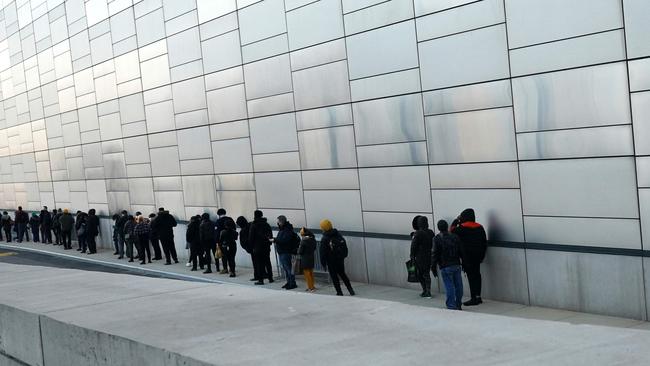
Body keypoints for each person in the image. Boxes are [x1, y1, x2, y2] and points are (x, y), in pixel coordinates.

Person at [451, 208, 487, 306]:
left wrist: (456, 220)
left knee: (471, 276)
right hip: (478, 256)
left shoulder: (461, 228)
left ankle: (473, 298)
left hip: (467, 257)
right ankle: (478, 296)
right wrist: (483, 255)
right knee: (477, 275)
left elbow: (451, 231)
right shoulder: (480, 227)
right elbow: (484, 242)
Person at [432, 220, 464, 310]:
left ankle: (451, 305)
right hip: (456, 264)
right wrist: (464, 262)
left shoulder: (436, 238)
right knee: (459, 285)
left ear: (438, 228)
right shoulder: (455, 236)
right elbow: (461, 251)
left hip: (445, 266)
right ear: (447, 226)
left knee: (449, 286)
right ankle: (458, 304)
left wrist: (433, 267)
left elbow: (434, 254)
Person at [319, 219, 354, 296]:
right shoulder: (338, 234)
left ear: (324, 228)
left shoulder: (325, 238)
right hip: (340, 259)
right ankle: (351, 290)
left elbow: (322, 252)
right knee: (343, 274)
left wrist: (323, 263)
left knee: (334, 277)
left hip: (331, 261)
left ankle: (339, 292)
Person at [410, 216, 434, 298]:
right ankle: (428, 290)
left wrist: (412, 256)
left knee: (420, 274)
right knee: (426, 274)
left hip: (420, 257)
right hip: (429, 255)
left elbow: (413, 246)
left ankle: (425, 290)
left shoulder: (418, 233)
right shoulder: (431, 232)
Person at [249, 210, 274, 285]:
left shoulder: (254, 225)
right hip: (266, 246)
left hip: (257, 247)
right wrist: (269, 243)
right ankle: (270, 278)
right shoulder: (266, 224)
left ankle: (261, 280)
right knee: (267, 262)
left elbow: (251, 237)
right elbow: (270, 235)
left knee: (259, 264)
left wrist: (251, 246)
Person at [275, 215, 299, 290]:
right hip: (282, 252)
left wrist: (275, 240)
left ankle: (292, 283)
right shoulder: (283, 229)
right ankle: (289, 282)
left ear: (281, 222)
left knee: (289, 269)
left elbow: (285, 240)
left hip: (286, 252)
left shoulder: (287, 229)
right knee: (286, 269)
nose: (277, 223)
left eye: (278, 221)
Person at [215, 208, 236, 274]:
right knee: (232, 256)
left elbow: (217, 232)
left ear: (218, 214)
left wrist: (217, 241)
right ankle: (232, 269)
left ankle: (225, 268)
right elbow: (234, 229)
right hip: (232, 241)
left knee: (224, 255)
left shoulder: (218, 221)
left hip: (223, 241)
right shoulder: (230, 219)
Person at [236, 216, 256, 281]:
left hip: (251, 248)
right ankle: (263, 273)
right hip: (257, 246)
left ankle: (258, 275)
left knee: (255, 263)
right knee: (261, 262)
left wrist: (248, 249)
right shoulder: (251, 225)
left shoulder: (243, 231)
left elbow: (243, 242)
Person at [298, 227, 317, 292]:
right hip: (311, 258)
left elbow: (300, 251)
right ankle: (313, 286)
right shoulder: (313, 239)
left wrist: (299, 247)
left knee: (307, 274)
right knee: (311, 273)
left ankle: (310, 287)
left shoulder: (303, 241)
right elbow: (314, 248)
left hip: (305, 259)